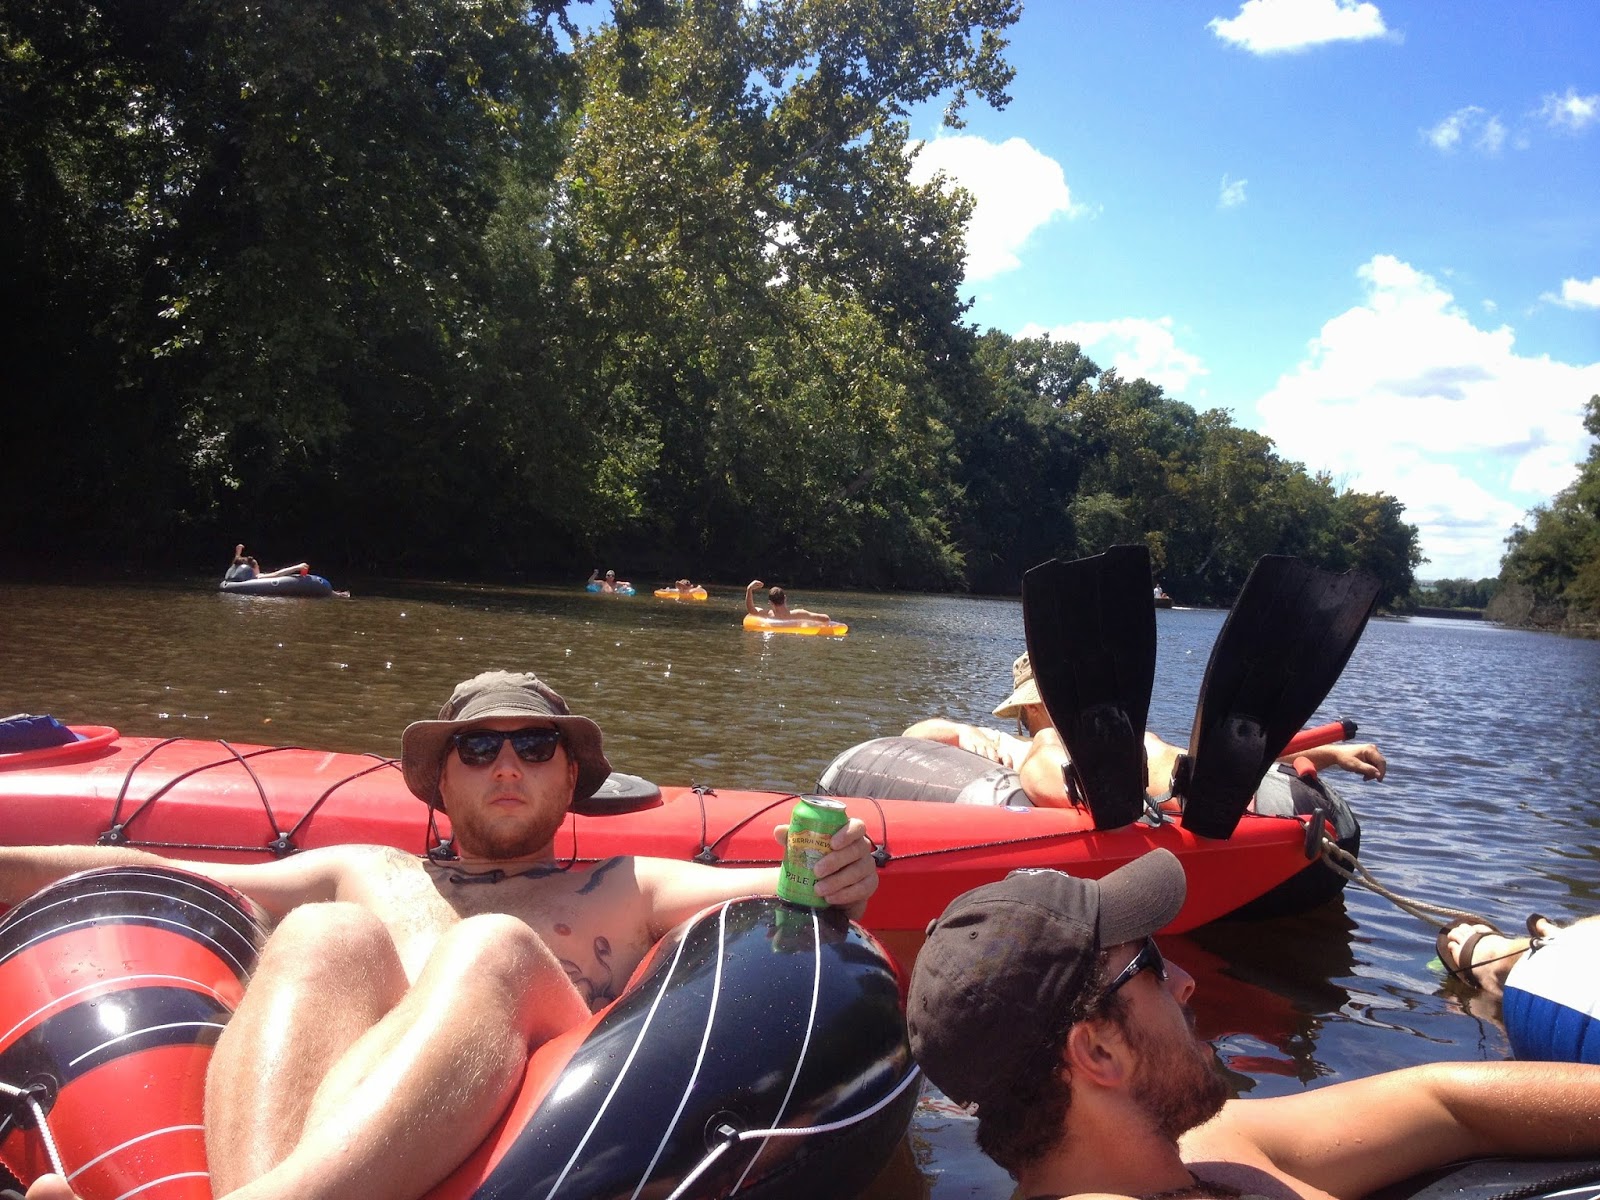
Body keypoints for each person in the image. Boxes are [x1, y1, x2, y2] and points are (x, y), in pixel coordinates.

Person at [6, 669, 880, 1200]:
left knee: (490, 948)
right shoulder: (369, 871)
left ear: (569, 778)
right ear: (440, 783)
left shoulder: (628, 886)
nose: (508, 766)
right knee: (324, 934)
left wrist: (843, 865)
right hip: (344, 1136)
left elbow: (786, 894)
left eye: (534, 746)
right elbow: (164, 876)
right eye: (479, 750)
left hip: (538, 1150)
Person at [907, 848, 1600, 1200]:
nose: (1185, 981)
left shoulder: (1208, 1141)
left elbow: (1444, 1104)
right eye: (1150, 963)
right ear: (1098, 1051)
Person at [904, 651, 1388, 808]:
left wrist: (1328, 754)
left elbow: (1202, 759)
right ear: (1030, 708)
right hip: (1099, 783)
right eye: (1060, 698)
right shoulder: (1008, 743)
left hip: (1179, 782)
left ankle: (1178, 793)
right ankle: (1111, 794)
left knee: (1146, 741)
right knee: (1056, 743)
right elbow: (915, 738)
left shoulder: (1125, 740)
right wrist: (961, 733)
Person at [745, 579, 830, 623]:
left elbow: (751, 610)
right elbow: (826, 618)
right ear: (785, 598)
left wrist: (749, 589)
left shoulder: (767, 615)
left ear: (770, 603)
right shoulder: (798, 614)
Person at [225, 543, 312, 582]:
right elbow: (277, 574)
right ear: (252, 568)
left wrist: (238, 553)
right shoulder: (257, 577)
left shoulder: (235, 575)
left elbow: (235, 563)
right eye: (257, 566)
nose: (259, 567)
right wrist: (297, 567)